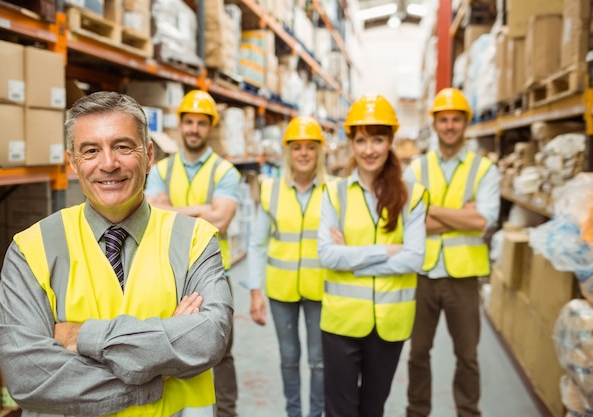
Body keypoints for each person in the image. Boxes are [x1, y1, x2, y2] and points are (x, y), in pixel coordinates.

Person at [0, 91, 233, 417]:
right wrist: (157, 368)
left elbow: (208, 338)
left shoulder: (194, 240)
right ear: (73, 163)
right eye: (91, 150)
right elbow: (27, 377)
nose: (108, 163)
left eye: (123, 146)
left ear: (149, 155)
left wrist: (82, 335)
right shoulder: (32, 248)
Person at [317, 94, 428, 417]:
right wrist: (384, 250)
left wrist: (351, 256)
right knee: (340, 410)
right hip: (341, 323)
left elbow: (415, 259)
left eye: (378, 140)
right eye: (362, 140)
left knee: (373, 409)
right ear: (351, 142)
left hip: (390, 324)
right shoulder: (334, 194)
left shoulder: (413, 196)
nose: (369, 150)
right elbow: (326, 255)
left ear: (391, 141)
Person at [403, 87, 500, 417]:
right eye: (443, 120)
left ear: (465, 123)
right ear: (434, 123)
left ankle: (468, 412)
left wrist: (431, 209)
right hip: (423, 273)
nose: (449, 126)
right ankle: (417, 412)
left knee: (468, 355)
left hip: (464, 277)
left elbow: (483, 220)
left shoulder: (484, 169)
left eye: (455, 120)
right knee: (417, 353)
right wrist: (461, 215)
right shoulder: (416, 169)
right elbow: (406, 222)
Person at [144, 89, 240, 417]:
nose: (194, 129)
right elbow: (153, 215)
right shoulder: (160, 169)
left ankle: (226, 412)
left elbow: (222, 219)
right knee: (169, 347)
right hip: (168, 275)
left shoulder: (225, 171)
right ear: (180, 125)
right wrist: (203, 209)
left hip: (213, 275)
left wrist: (173, 211)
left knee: (220, 352)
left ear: (210, 127)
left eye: (201, 123)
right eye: (189, 122)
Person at [243, 116, 329, 417]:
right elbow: (257, 244)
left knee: (319, 362)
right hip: (282, 291)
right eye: (297, 147)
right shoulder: (271, 190)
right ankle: (294, 413)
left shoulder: (335, 191)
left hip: (322, 290)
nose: (303, 153)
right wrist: (255, 291)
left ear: (320, 151)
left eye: (310, 147)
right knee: (289, 358)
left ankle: (316, 413)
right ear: (287, 152)